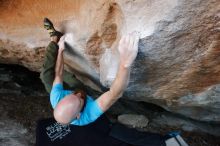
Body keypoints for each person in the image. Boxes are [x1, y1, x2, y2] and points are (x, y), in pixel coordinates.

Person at [40, 18, 140, 126]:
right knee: (74, 84)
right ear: (78, 115)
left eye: (73, 95)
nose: (78, 94)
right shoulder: (88, 115)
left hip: (66, 91)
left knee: (46, 76)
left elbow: (58, 73)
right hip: (76, 87)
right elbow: (114, 94)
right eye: (80, 99)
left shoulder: (56, 98)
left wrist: (60, 50)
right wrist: (124, 64)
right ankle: (71, 82)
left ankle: (54, 38)